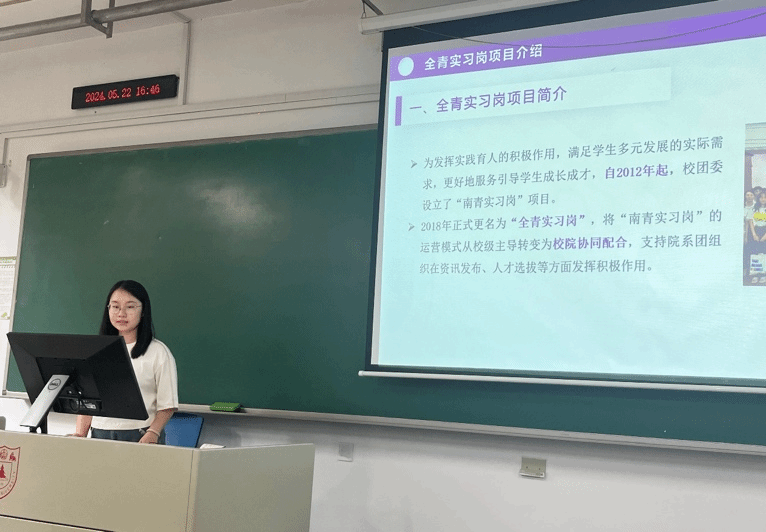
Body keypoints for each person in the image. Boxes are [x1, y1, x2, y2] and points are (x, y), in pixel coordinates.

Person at [72, 280, 179, 443]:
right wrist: (80, 434)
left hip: (141, 434)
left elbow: (167, 405)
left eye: (130, 307)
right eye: (115, 306)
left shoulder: (158, 352)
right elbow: (88, 401)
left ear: (143, 311)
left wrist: (153, 433)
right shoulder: (95, 350)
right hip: (99, 433)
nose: (121, 313)